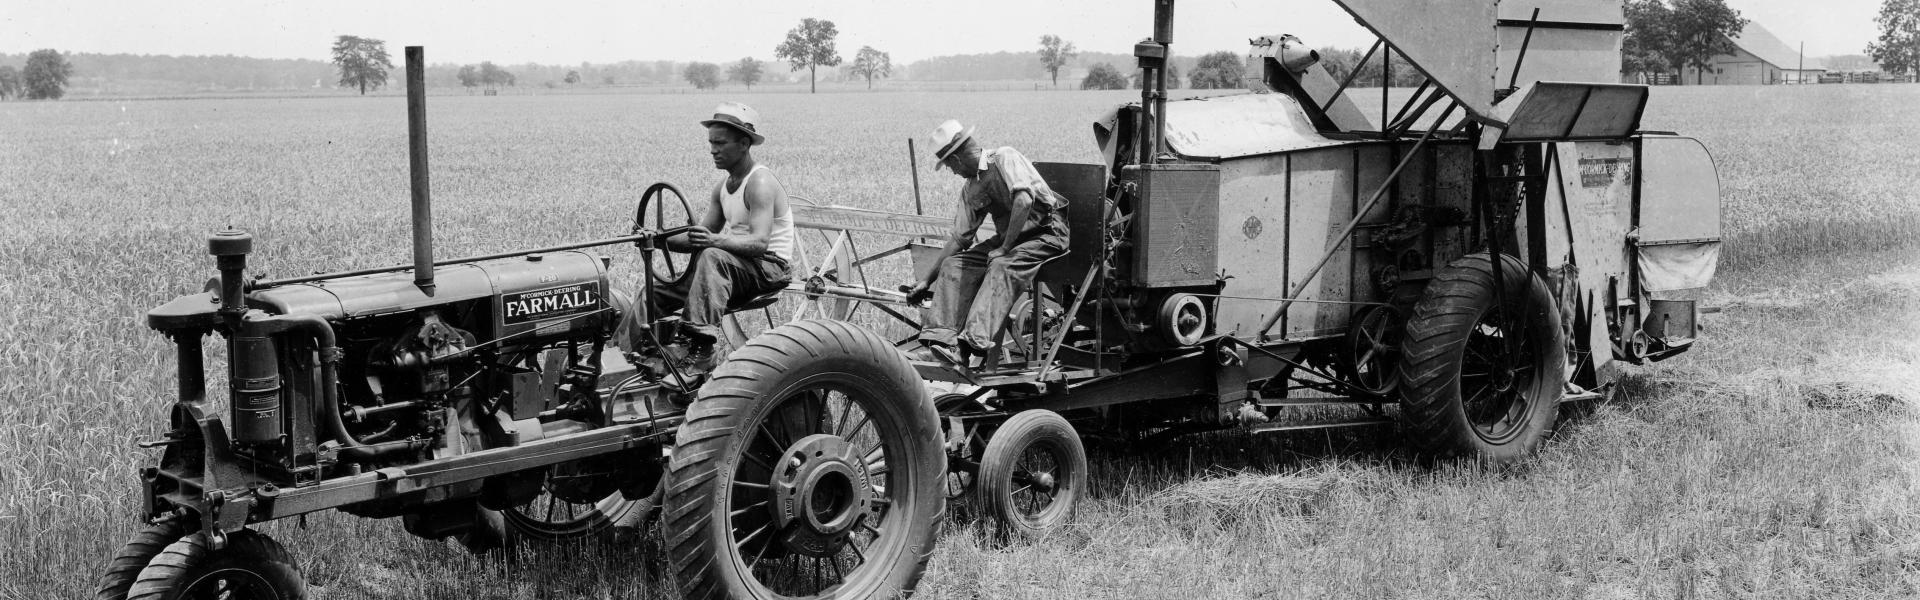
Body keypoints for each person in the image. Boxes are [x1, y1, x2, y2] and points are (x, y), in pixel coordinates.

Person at [644, 101, 794, 361]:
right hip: (736, 265)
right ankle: (627, 352)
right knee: (655, 291)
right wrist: (657, 240)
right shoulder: (722, 187)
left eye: (721, 143)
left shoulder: (759, 182)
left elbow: (759, 243)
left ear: (744, 144)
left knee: (712, 255)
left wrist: (715, 240)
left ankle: (699, 348)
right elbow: (698, 237)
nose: (713, 150)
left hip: (769, 267)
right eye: (711, 143)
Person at [907, 119, 1069, 356]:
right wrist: (926, 280)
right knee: (955, 264)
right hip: (1014, 240)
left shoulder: (1004, 157)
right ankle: (943, 340)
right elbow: (959, 239)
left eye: (949, 166)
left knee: (1001, 264)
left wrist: (1004, 247)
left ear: (956, 159)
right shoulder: (971, 188)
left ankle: (975, 340)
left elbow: (1024, 201)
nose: (952, 172)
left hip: (1047, 233)